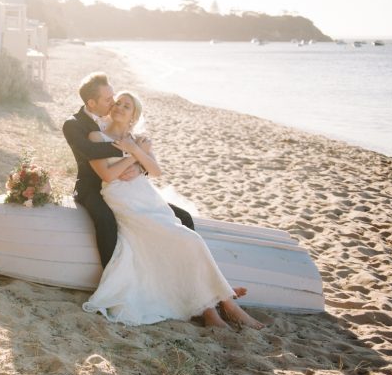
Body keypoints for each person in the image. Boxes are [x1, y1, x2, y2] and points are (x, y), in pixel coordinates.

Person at [81, 90, 264, 329]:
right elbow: (107, 174)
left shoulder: (140, 140)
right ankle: (227, 303)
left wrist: (136, 151)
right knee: (187, 239)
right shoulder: (97, 136)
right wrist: (134, 157)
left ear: (134, 116)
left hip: (147, 198)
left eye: (126, 106)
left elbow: (156, 171)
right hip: (122, 198)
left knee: (188, 241)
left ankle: (216, 311)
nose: (119, 107)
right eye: (117, 103)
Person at [62, 72, 195, 268]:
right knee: (106, 220)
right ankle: (111, 274)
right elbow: (91, 151)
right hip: (93, 187)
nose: (114, 102)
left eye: (113, 96)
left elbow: (134, 142)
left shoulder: (113, 115)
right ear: (91, 103)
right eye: (109, 99)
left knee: (183, 217)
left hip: (127, 188)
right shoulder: (73, 125)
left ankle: (189, 270)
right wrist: (135, 152)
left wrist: (140, 165)